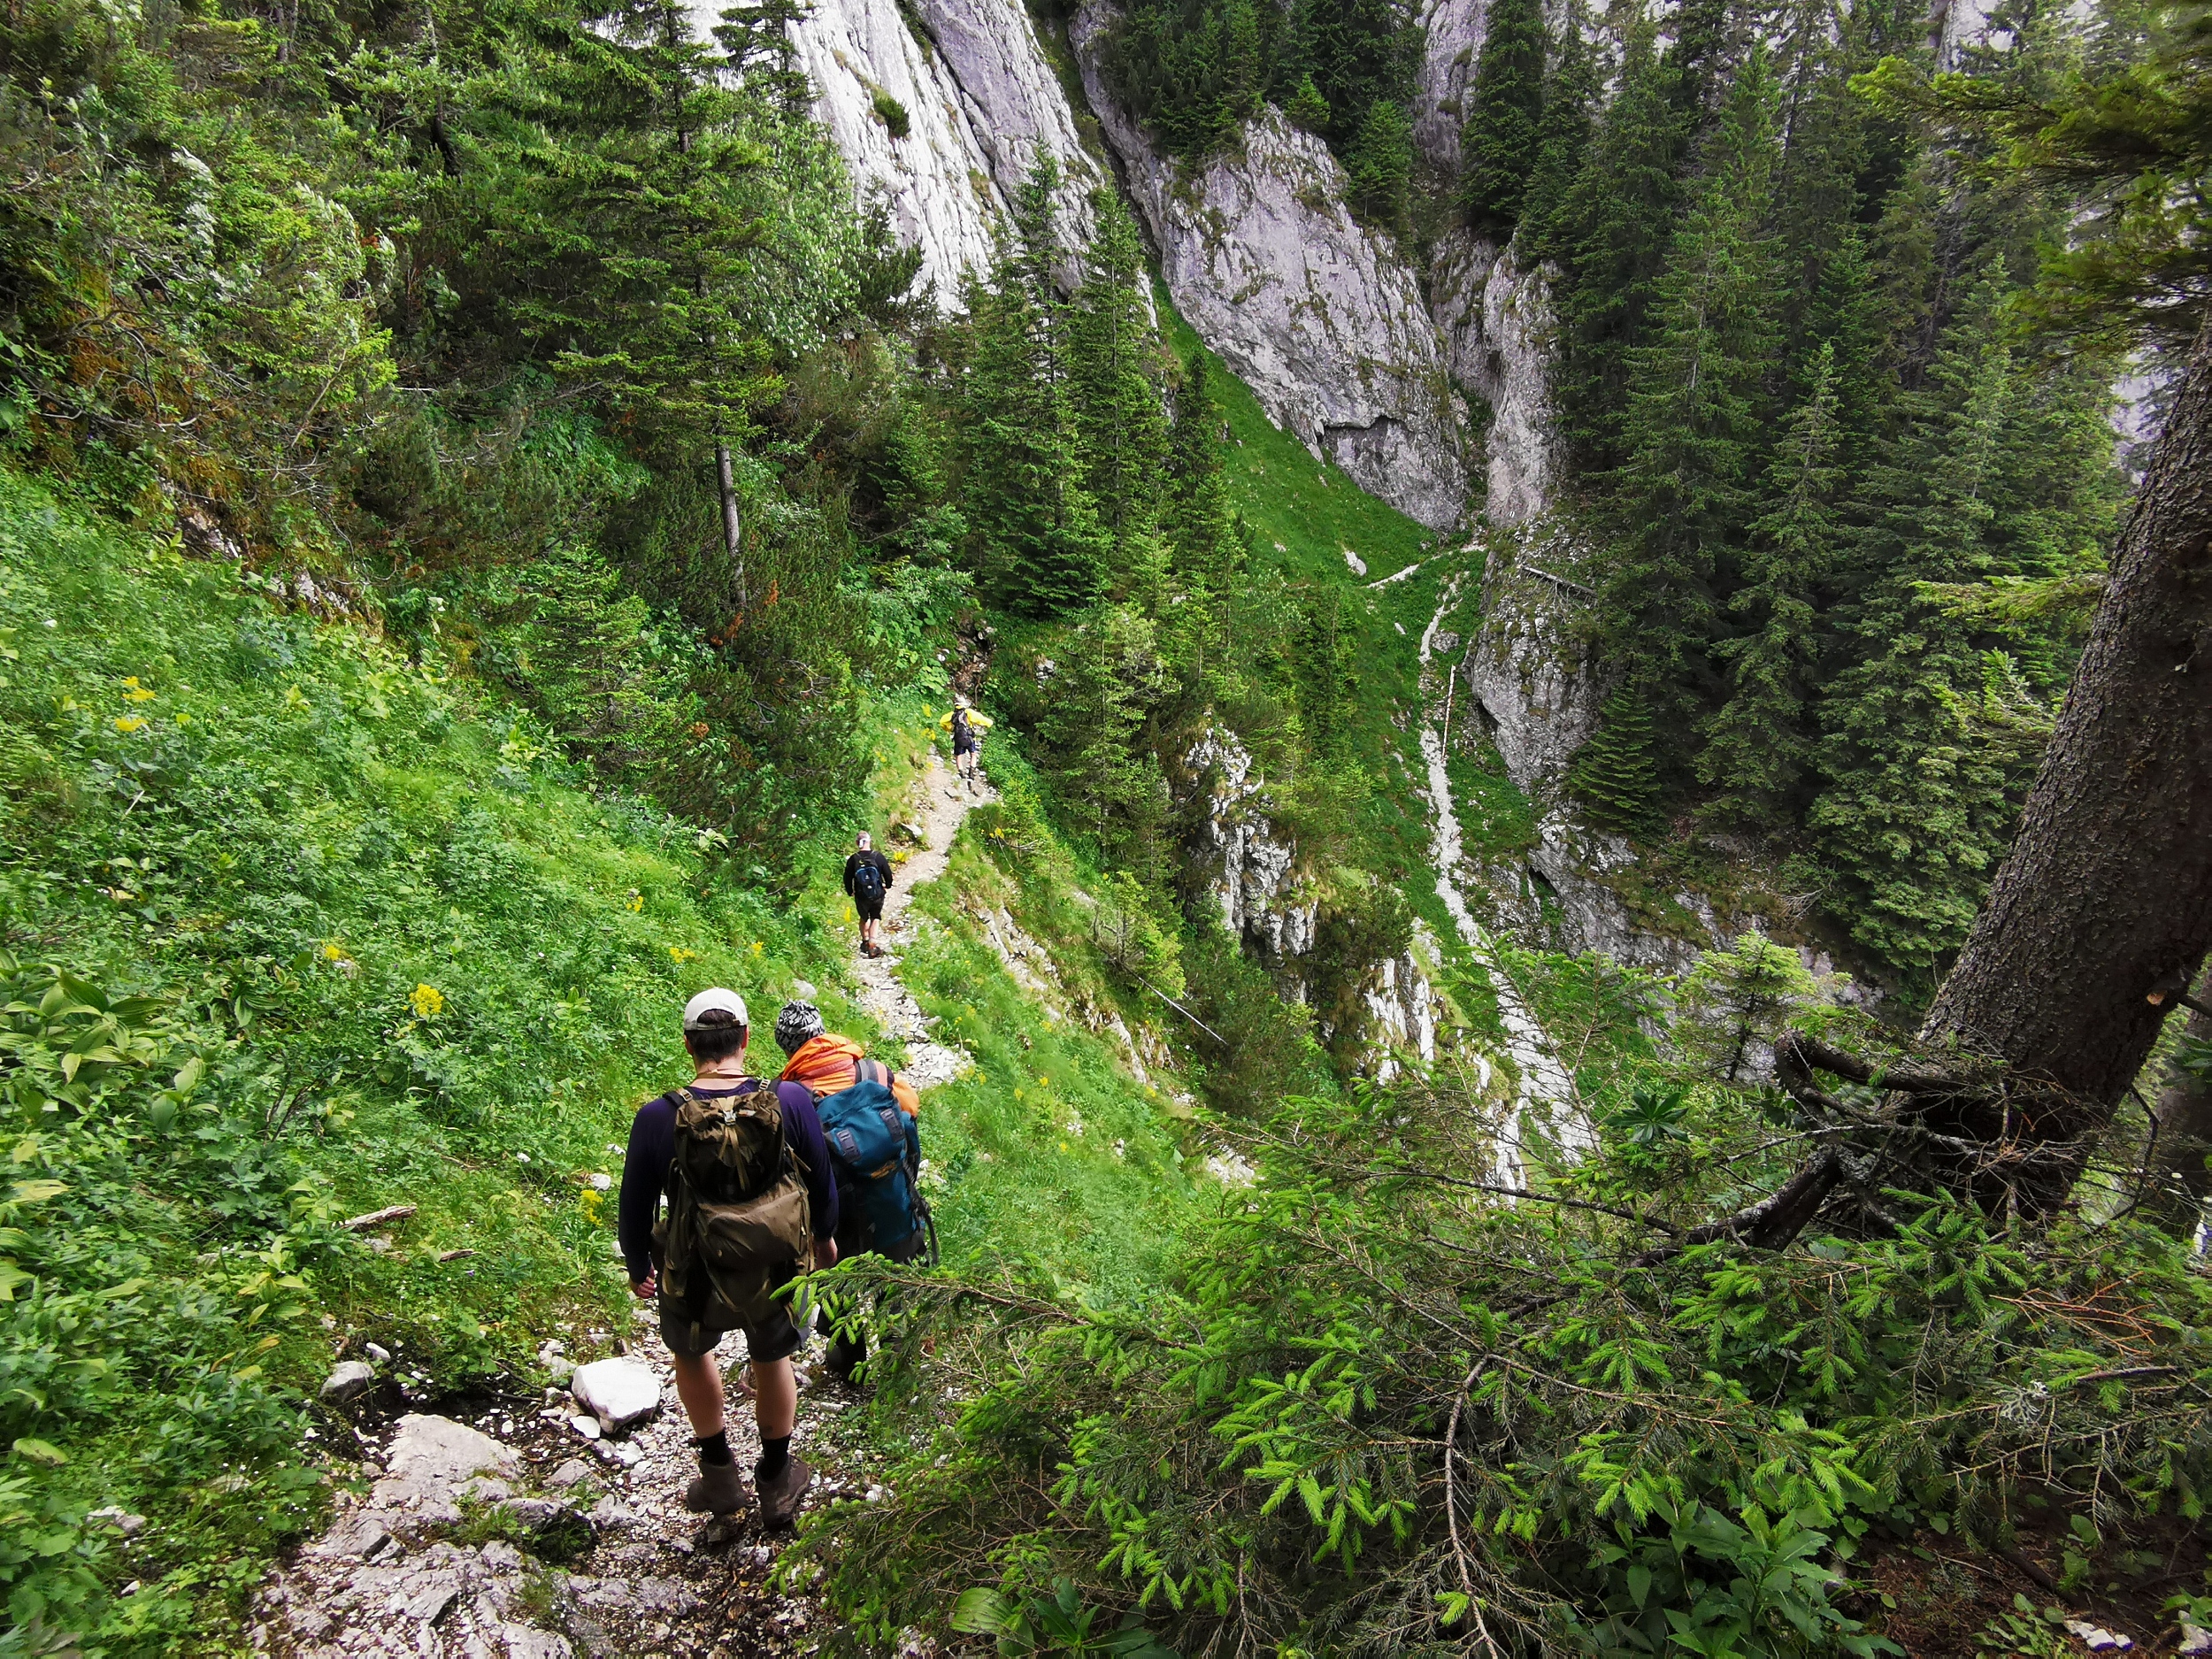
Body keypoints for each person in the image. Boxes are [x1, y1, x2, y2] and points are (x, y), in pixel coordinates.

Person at [618, 987, 839, 1526]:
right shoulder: (787, 1101)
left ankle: (719, 1477)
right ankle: (777, 1478)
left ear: (690, 1045)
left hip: (695, 1272)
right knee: (772, 1358)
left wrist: (638, 1266)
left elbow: (635, 1206)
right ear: (745, 1039)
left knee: (691, 1354)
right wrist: (825, 1240)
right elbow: (823, 1184)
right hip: (776, 1268)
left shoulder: (657, 1118)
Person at [774, 1000, 927, 1384]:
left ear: (787, 1048)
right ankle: (898, 1373)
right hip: (892, 1204)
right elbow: (910, 1117)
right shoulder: (874, 1071)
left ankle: (848, 1361)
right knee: (897, 1287)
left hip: (836, 1218)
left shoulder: (788, 1096)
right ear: (823, 1034)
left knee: (839, 1288)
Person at [842, 831, 895, 958]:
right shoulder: (878, 856)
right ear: (869, 841)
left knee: (863, 917)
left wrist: (850, 891)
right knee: (875, 917)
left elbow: (847, 878)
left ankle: (865, 941)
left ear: (857, 843)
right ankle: (873, 944)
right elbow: (887, 873)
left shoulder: (853, 859)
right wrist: (887, 885)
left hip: (861, 895)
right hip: (877, 894)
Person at [939, 696, 994, 795]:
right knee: (973, 754)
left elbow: (942, 722)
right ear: (964, 705)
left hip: (958, 738)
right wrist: (989, 723)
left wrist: (948, 729)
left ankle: (961, 772)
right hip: (969, 738)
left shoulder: (952, 714)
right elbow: (981, 719)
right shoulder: (968, 712)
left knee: (958, 755)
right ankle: (971, 773)